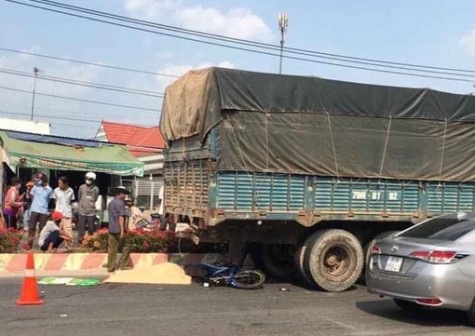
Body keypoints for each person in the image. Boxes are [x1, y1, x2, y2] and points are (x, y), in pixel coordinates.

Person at [106, 186, 133, 273]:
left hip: (111, 228)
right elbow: (121, 217)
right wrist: (122, 231)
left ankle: (111, 266)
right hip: (118, 228)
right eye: (123, 193)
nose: (125, 195)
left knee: (112, 248)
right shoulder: (121, 204)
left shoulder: (110, 203)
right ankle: (124, 264)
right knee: (126, 245)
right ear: (119, 194)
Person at [28, 173, 53, 248]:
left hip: (43, 211)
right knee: (32, 227)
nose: (37, 181)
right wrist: (35, 204)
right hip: (34, 210)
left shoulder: (49, 189)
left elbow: (49, 199)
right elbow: (32, 196)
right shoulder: (35, 187)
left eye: (38, 180)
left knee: (42, 228)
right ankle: (29, 244)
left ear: (43, 180)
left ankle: (41, 244)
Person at [52, 176, 75, 248]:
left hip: (67, 213)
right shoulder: (56, 190)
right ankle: (53, 246)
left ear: (66, 184)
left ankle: (69, 246)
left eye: (60, 183)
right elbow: (54, 201)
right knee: (56, 230)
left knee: (68, 230)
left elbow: (71, 201)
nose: (59, 185)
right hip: (58, 214)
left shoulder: (71, 191)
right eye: (58, 183)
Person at [77, 172, 100, 244]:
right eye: (86, 178)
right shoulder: (82, 187)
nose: (87, 180)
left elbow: (95, 198)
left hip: (91, 211)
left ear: (93, 180)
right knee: (81, 228)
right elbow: (79, 197)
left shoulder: (96, 189)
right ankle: (80, 241)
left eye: (89, 179)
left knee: (91, 228)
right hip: (82, 211)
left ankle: (90, 242)